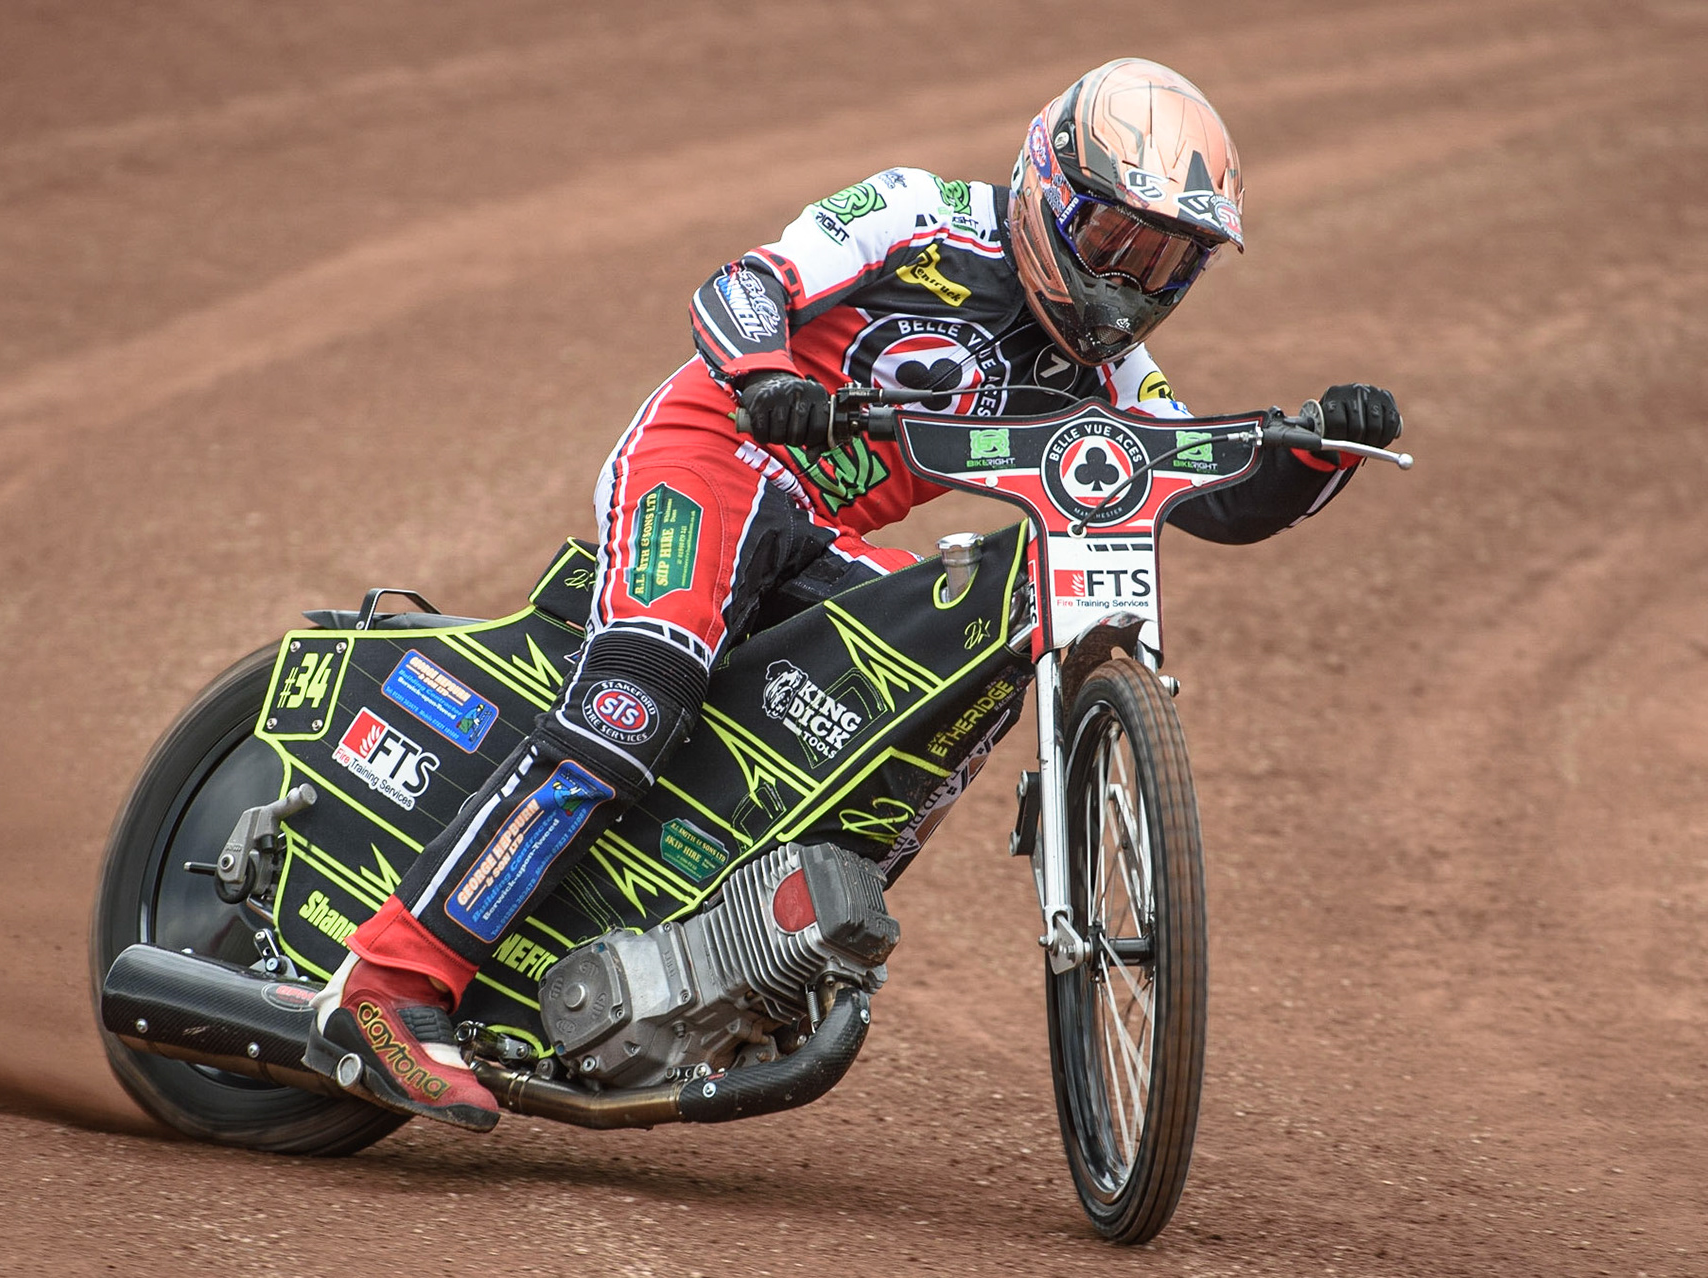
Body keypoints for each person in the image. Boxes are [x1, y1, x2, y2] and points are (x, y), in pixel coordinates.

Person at [303, 57, 1402, 1130]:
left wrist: (1320, 450)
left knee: (944, 670)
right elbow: (742, 286)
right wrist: (771, 377)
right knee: (642, 691)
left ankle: (751, 946)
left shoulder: (1107, 376)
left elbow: (1203, 492)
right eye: (1115, 237)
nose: (1130, 280)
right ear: (1051, 189)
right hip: (710, 458)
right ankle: (393, 979)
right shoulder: (922, 214)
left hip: (815, 532)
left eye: (1168, 263)